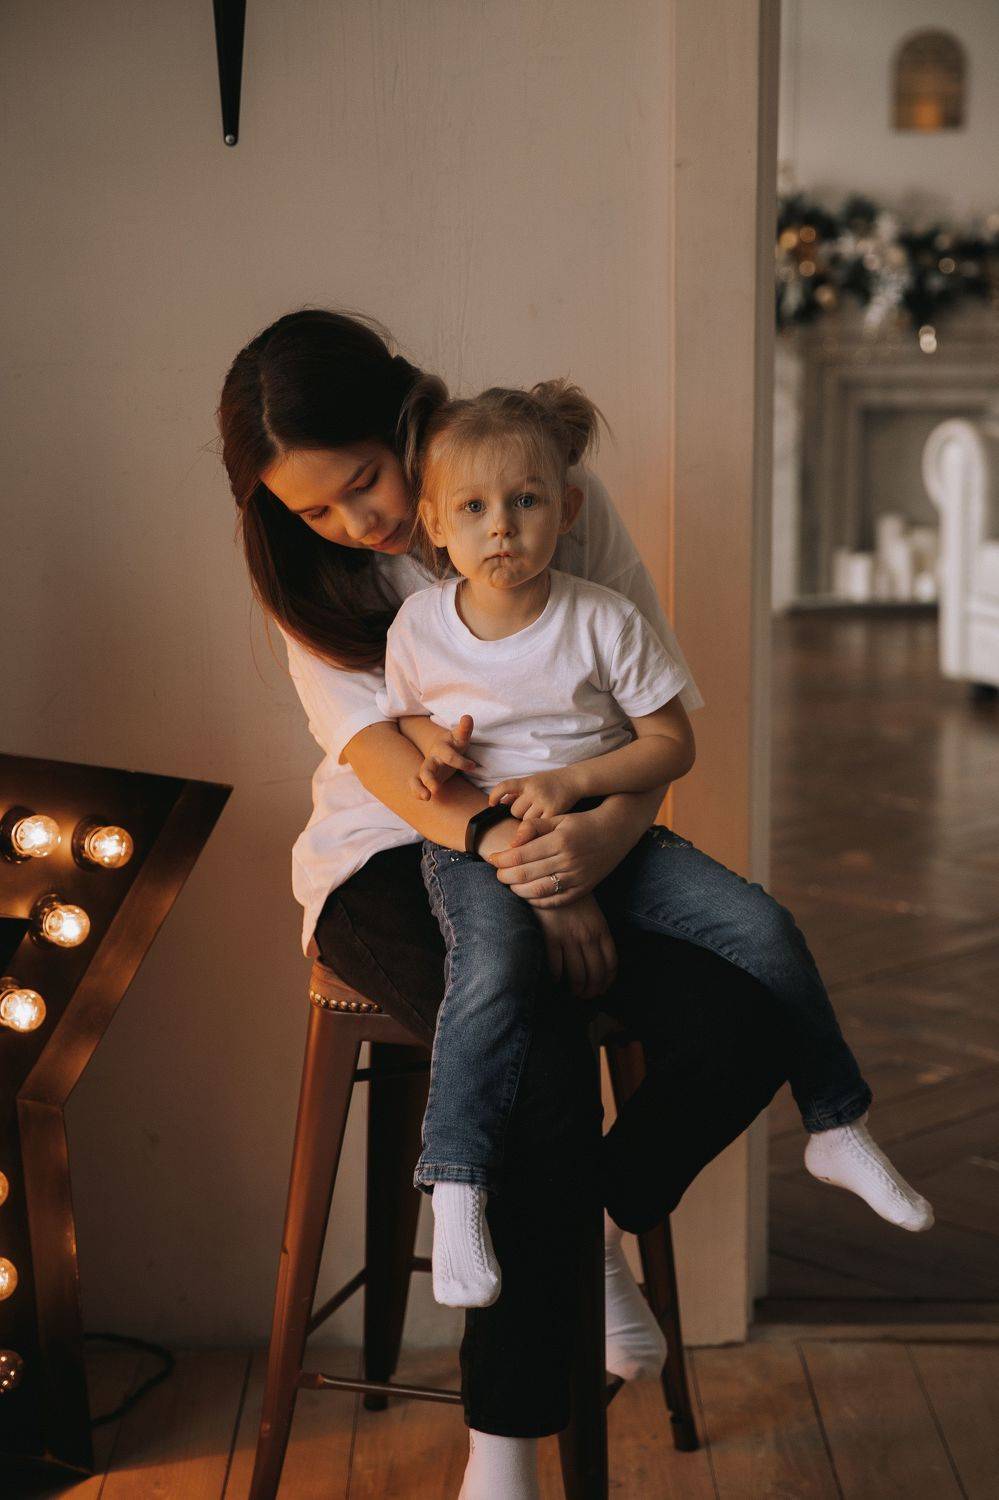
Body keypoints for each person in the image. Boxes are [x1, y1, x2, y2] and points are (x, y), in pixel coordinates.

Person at [216, 309, 822, 1500]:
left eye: (362, 482)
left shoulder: (536, 494)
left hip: (572, 830)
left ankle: (585, 1228)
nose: (356, 523)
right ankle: (503, 1453)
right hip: (389, 858)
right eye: (316, 512)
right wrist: (529, 879)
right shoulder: (314, 583)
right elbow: (390, 768)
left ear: (404, 417)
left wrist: (590, 853)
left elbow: (644, 728)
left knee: (752, 1010)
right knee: (532, 1049)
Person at [374, 374, 934, 1319]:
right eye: (472, 508)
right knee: (492, 969)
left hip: (613, 840)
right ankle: (458, 1183)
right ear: (433, 524)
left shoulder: (602, 619)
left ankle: (834, 1119)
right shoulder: (420, 625)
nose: (501, 527)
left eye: (525, 501)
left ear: (567, 511)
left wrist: (574, 785)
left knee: (762, 926)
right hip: (479, 856)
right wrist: (434, 750)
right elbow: (407, 720)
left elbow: (671, 744)